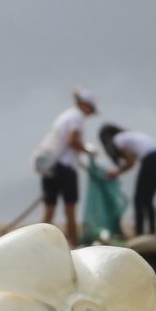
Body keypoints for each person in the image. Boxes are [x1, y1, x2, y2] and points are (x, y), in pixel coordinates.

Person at [31, 88, 98, 246]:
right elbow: (72, 140)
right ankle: (74, 245)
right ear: (86, 105)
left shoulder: (65, 115)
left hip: (51, 167)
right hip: (65, 168)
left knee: (49, 209)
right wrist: (87, 150)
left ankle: (37, 244)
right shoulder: (77, 117)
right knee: (70, 210)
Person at [100, 124, 156, 236]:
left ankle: (139, 232)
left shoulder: (118, 140)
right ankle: (152, 231)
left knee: (139, 199)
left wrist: (116, 172)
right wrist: (118, 171)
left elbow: (130, 162)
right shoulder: (128, 136)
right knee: (148, 200)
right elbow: (131, 162)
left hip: (152, 159)